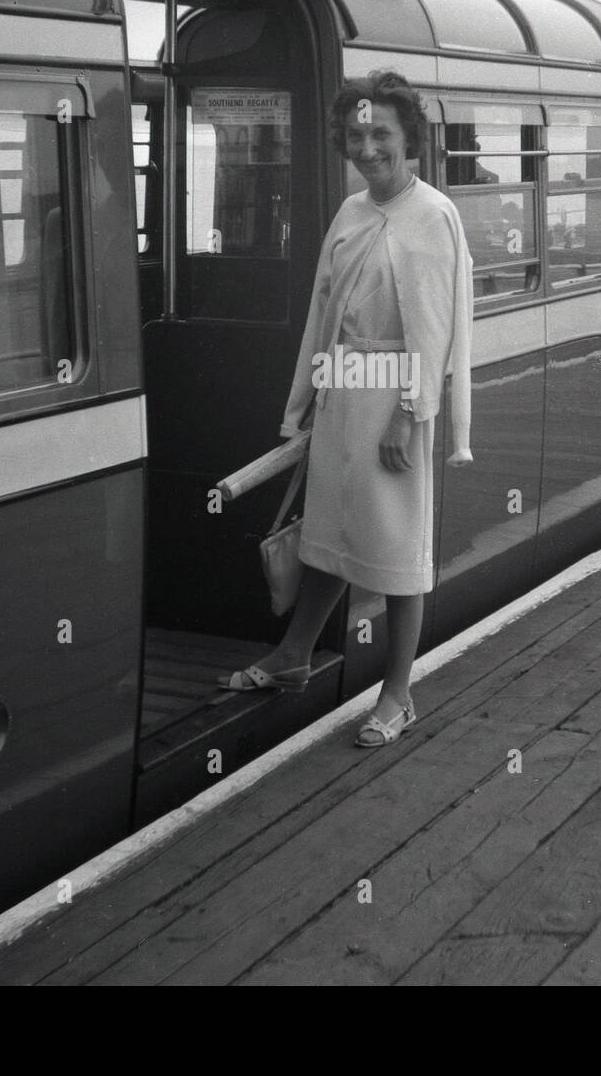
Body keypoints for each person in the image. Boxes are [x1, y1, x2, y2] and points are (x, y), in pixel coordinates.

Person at [219, 70, 474, 747]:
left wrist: (409, 413)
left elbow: (434, 329)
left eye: (380, 133)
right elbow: (321, 314)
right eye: (356, 134)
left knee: (395, 550)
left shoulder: (433, 216)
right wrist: (302, 403)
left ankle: (397, 693)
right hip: (342, 394)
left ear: (407, 137)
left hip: (395, 403)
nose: (367, 147)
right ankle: (294, 653)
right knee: (328, 534)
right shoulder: (352, 211)